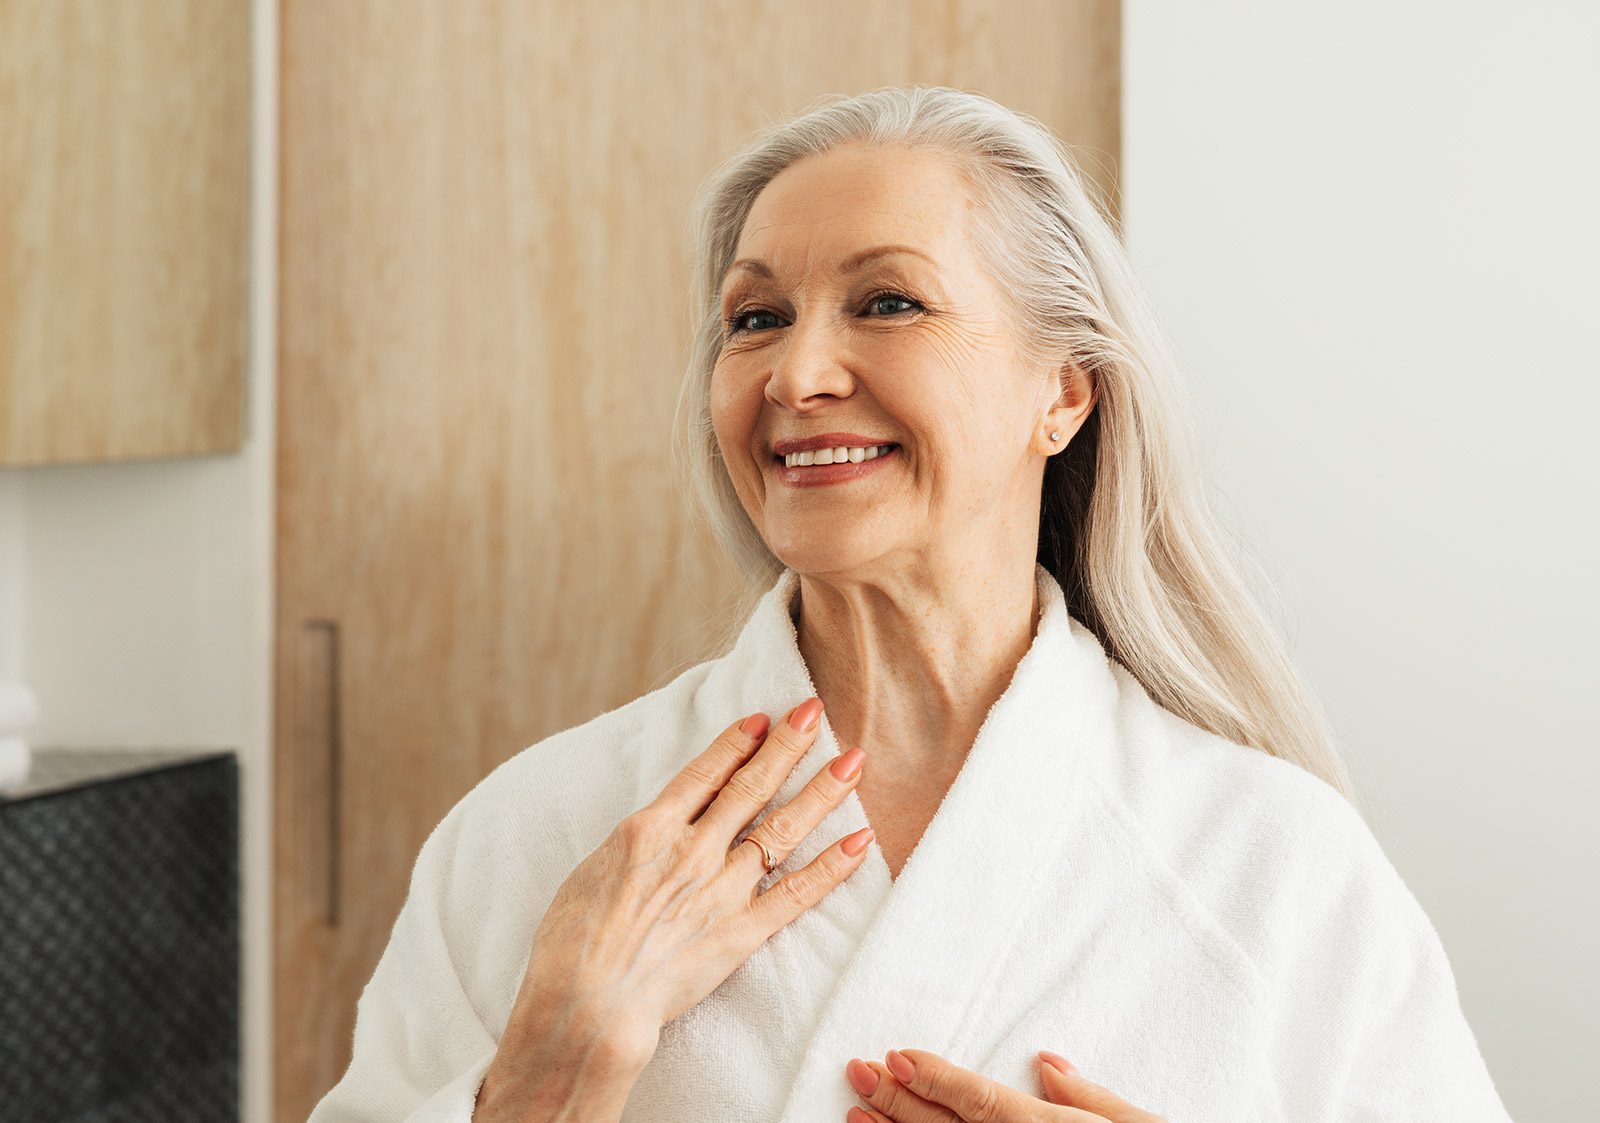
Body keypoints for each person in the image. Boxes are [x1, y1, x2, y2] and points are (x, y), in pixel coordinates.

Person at [309, 85, 1512, 1122]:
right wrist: (542, 1080)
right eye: (755, 317)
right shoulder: (542, 833)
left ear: (1063, 394)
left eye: (887, 303)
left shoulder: (1270, 864)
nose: (796, 373)